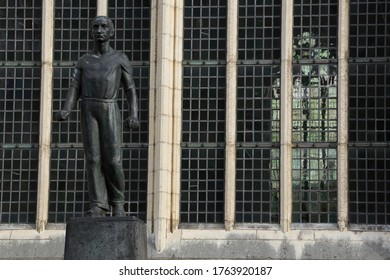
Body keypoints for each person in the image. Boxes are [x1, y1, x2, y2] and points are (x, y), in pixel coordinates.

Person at [56, 16, 139, 217]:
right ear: (91, 32)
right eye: (96, 27)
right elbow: (75, 87)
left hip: (109, 107)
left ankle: (118, 203)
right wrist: (67, 108)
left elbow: (130, 89)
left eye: (104, 27)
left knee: (113, 160)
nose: (99, 30)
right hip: (89, 108)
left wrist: (133, 113)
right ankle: (98, 204)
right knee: (93, 159)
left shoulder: (120, 58)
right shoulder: (84, 60)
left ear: (111, 32)